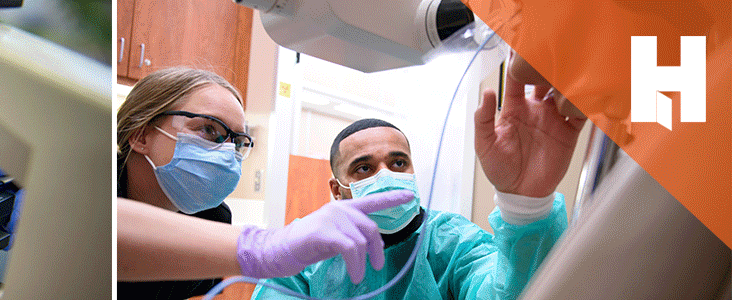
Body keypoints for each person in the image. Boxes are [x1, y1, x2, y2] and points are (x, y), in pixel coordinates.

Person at [116, 67, 415, 299]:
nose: (226, 151)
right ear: (141, 135)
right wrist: (264, 248)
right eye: (209, 130)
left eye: (237, 140)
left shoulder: (213, 218)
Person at [252, 115, 573, 298]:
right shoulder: (307, 253)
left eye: (398, 162)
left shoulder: (450, 241)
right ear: (338, 190)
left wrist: (526, 206)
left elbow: (507, 291)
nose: (386, 176)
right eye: (364, 168)